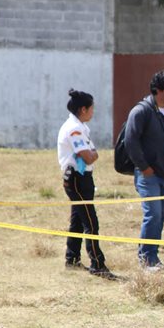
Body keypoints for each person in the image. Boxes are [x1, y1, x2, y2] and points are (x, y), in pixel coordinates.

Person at [57, 88, 115, 280]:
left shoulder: (81, 127)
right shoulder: (74, 129)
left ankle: (72, 257)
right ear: (83, 109)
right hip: (77, 179)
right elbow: (89, 156)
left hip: (83, 178)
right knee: (91, 221)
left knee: (78, 220)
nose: (93, 112)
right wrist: (93, 154)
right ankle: (97, 263)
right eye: (91, 108)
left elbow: (91, 154)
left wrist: (93, 154)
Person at [124, 70, 164, 270]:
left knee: (161, 216)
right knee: (153, 215)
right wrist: (144, 167)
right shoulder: (141, 111)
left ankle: (151, 255)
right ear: (158, 91)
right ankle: (147, 260)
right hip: (149, 176)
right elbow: (131, 141)